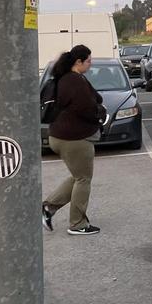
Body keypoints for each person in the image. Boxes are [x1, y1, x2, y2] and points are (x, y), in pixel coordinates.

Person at [41, 45, 104, 236]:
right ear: (79, 62)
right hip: (74, 138)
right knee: (83, 179)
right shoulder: (74, 81)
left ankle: (48, 207)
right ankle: (77, 224)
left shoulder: (65, 78)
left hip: (59, 135)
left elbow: (94, 98)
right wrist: (100, 115)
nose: (90, 65)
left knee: (78, 176)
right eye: (89, 61)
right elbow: (86, 108)